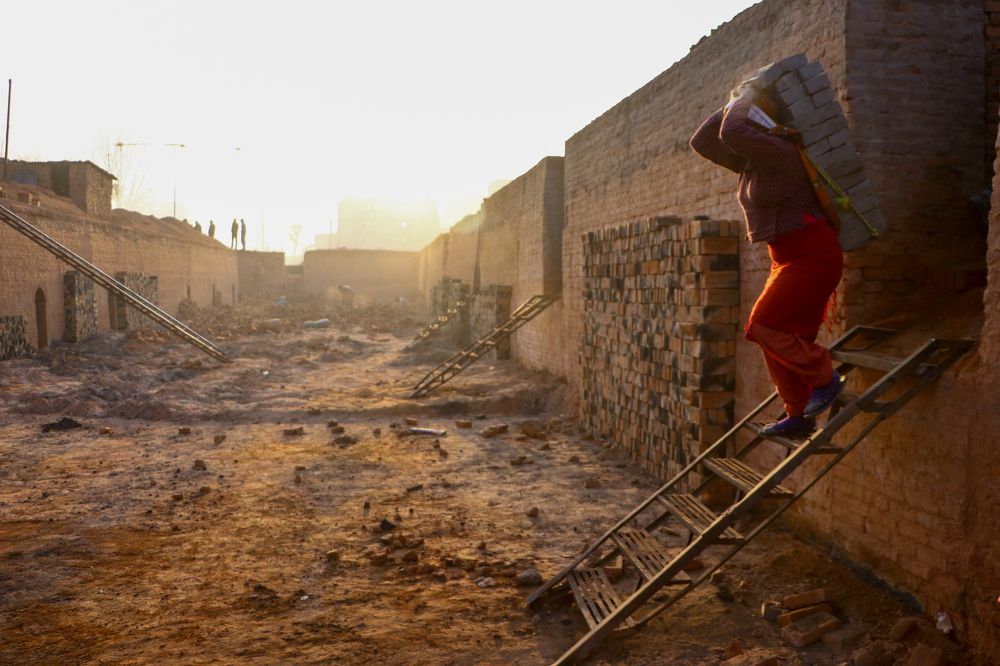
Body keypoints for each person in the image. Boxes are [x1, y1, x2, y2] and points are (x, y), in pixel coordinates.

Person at [690, 83, 844, 437]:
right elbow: (702, 141)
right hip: (787, 259)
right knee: (778, 337)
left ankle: (825, 377)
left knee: (763, 325)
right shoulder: (751, 163)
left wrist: (748, 96)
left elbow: (732, 130)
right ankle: (798, 414)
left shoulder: (781, 152)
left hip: (813, 255)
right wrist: (732, 99)